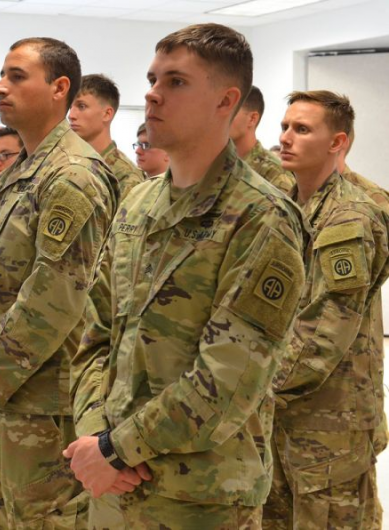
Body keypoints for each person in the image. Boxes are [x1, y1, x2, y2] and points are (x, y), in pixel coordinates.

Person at [66, 23, 306, 528]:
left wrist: (114, 448)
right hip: (112, 487)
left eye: (175, 82)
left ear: (226, 101)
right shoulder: (138, 203)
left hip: (198, 499)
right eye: (153, 78)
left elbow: (226, 384)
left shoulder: (261, 218)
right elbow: (94, 337)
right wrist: (94, 439)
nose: (152, 94)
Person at [0, 37, 116, 528]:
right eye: (2, 74)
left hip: (40, 400)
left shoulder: (74, 176)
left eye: (17, 76)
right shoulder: (16, 174)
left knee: (44, 519)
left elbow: (53, 300)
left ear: (59, 88)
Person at [263, 90, 389, 530]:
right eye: (284, 127)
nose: (286, 138)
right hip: (281, 414)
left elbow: (322, 334)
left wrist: (251, 388)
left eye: (301, 129)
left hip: (330, 422)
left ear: (336, 142)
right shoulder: (287, 204)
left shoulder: (348, 220)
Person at [69, 73, 145, 201]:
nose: (71, 115)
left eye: (81, 106)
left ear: (107, 114)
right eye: (70, 107)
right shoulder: (68, 162)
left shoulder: (126, 176)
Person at [229, 85, 295, 195]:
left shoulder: (275, 173)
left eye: (231, 112)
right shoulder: (217, 165)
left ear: (252, 119)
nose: (221, 118)